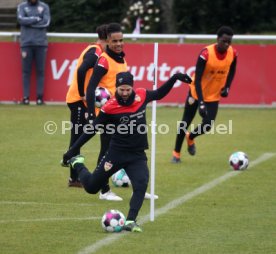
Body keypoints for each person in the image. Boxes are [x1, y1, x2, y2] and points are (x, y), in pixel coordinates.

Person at [62, 71, 192, 232]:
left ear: (132, 88)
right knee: (91, 187)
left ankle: (130, 221)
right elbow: (91, 129)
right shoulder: (109, 107)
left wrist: (175, 78)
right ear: (116, 88)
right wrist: (72, 151)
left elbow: (159, 93)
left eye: (127, 89)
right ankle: (78, 164)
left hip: (137, 155)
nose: (124, 93)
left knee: (141, 184)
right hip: (115, 154)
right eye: (121, 89)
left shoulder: (142, 95)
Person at [171, 26, 238, 163]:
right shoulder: (206, 54)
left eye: (229, 42)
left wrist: (227, 87)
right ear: (217, 39)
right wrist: (201, 102)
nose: (226, 45)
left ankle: (191, 137)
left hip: (213, 95)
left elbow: (232, 70)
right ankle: (176, 153)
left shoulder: (233, 53)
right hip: (196, 92)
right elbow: (198, 79)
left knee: (208, 125)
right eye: (224, 41)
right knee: (185, 122)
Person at [65, 24, 108, 188]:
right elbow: (82, 70)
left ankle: (74, 178)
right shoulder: (96, 51)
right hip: (78, 100)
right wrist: (83, 92)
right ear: (106, 39)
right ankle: (74, 179)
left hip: (79, 100)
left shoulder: (96, 50)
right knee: (76, 139)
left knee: (78, 138)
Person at [17, 0, 51, 105]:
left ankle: (39, 98)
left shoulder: (44, 6)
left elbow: (46, 22)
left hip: (41, 44)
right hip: (26, 44)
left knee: (40, 71)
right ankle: (26, 98)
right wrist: (36, 19)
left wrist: (29, 22)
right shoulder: (22, 6)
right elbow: (20, 20)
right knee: (25, 72)